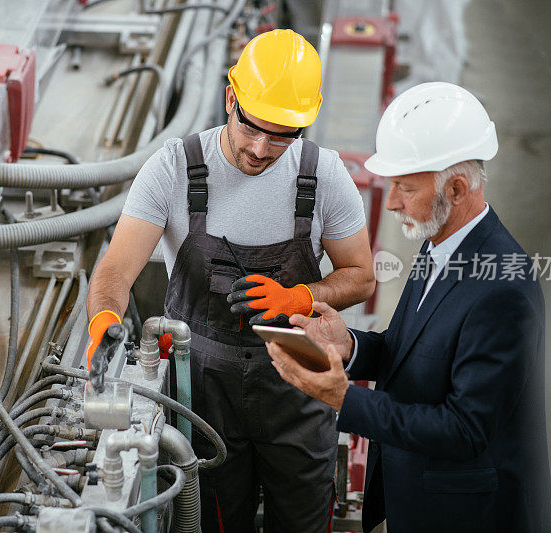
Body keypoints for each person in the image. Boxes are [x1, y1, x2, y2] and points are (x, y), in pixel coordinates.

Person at [86, 29, 375, 532]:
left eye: (283, 135)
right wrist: (104, 324)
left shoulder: (323, 176)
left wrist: (303, 295)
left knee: (304, 519)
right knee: (213, 516)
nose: (262, 149)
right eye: (252, 127)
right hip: (203, 394)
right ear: (229, 99)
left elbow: (361, 277)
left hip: (298, 389)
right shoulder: (174, 169)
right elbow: (115, 271)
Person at [267, 82, 551, 533]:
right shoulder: (440, 242)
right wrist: (349, 346)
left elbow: (464, 431)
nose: (394, 201)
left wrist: (345, 399)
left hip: (469, 516)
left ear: (456, 189)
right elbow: (412, 353)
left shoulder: (504, 290)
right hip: (422, 501)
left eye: (405, 187)